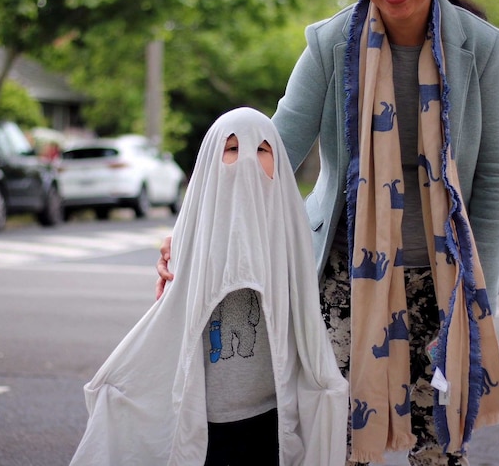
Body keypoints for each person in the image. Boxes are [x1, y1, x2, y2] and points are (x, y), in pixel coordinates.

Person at [158, 0, 499, 465]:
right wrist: (189, 232)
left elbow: (495, 176)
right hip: (346, 277)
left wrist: (481, 294)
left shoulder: (481, 46)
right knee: (336, 436)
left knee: (441, 446)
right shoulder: (331, 44)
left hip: (447, 283)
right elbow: (268, 149)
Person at [72, 107, 349, 466]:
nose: (247, 159)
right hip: (204, 420)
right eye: (232, 149)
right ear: (210, 162)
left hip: (269, 415)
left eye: (262, 150)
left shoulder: (292, 232)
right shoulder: (193, 237)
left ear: (279, 160)